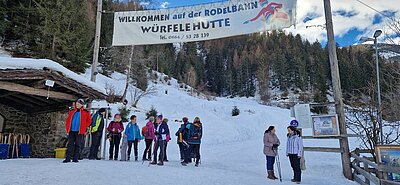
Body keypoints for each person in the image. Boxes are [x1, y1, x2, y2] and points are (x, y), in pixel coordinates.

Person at [63, 99, 91, 163]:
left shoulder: (86, 112)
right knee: (70, 144)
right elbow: (68, 120)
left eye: (78, 104)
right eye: (76, 104)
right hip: (71, 130)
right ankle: (68, 158)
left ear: (82, 105)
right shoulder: (72, 111)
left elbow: (89, 121)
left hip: (80, 131)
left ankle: (75, 158)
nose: (77, 105)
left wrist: (84, 126)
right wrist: (67, 127)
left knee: (78, 144)